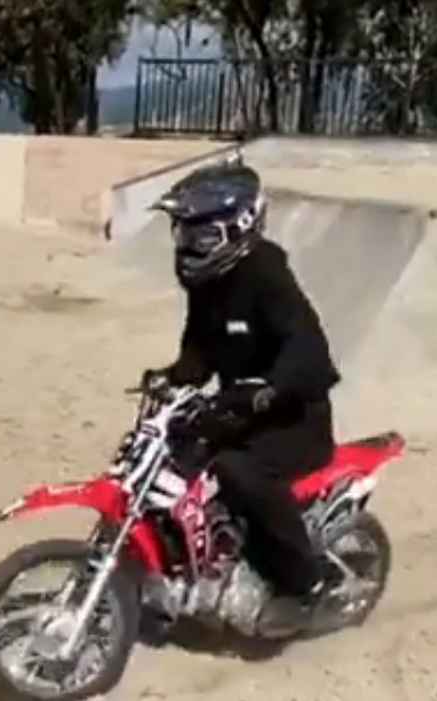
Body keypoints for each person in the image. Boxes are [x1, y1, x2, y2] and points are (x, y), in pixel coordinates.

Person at [143, 158, 341, 637]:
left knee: (237, 470)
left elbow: (307, 345)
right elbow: (200, 350)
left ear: (239, 228)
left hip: (294, 416)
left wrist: (272, 387)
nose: (189, 247)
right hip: (239, 410)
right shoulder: (206, 285)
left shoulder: (265, 272)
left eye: (201, 237)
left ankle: (307, 586)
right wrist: (172, 378)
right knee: (171, 454)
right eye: (183, 235)